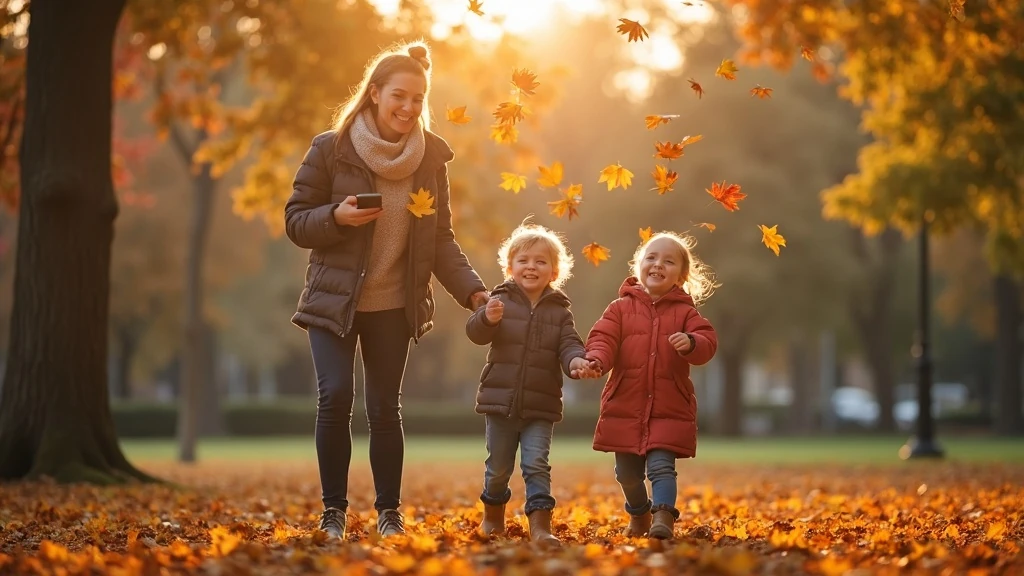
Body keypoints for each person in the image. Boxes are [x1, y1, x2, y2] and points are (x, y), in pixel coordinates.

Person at [283, 41, 489, 540]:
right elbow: (295, 221)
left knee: (383, 408)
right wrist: (336, 216)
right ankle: (333, 511)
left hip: (393, 306)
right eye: (399, 95)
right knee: (334, 397)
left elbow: (439, 239)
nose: (408, 107)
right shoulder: (330, 148)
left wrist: (474, 293)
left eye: (418, 98)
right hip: (334, 302)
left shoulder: (430, 159)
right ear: (374, 94)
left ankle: (388, 513)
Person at [466, 222, 597, 545]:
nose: (531, 267)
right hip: (500, 402)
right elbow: (475, 333)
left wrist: (577, 361)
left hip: (541, 405)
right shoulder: (499, 301)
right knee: (497, 467)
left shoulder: (560, 311)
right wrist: (486, 318)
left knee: (536, 464)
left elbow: (569, 344)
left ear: (553, 271)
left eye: (541, 261)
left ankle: (540, 527)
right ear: (510, 267)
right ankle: (492, 519)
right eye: (523, 260)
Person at [584, 232, 718, 540]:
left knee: (661, 468)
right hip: (626, 406)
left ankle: (663, 519)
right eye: (651, 258)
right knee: (627, 475)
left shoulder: (686, 313)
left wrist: (691, 342)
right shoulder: (619, 309)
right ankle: (640, 513)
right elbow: (602, 339)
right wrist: (596, 361)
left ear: (681, 276)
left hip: (668, 407)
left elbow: (708, 342)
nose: (658, 264)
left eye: (668, 261)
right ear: (638, 265)